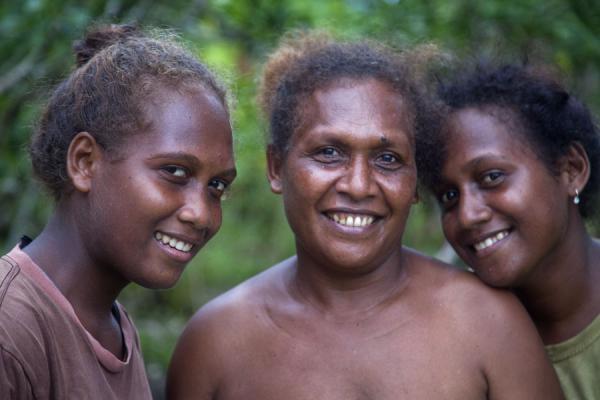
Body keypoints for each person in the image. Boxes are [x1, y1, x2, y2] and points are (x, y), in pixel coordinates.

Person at [167, 34, 563, 400]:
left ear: (414, 184)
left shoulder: (486, 322)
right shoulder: (214, 344)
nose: (358, 186)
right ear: (276, 168)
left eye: (388, 159)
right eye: (328, 152)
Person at [0, 23, 236, 399]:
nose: (202, 214)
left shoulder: (114, 328)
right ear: (84, 162)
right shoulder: (11, 328)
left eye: (217, 186)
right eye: (175, 172)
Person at [417, 62, 600, 399]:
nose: (468, 215)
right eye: (449, 196)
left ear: (571, 170)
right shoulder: (460, 329)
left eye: (492, 177)